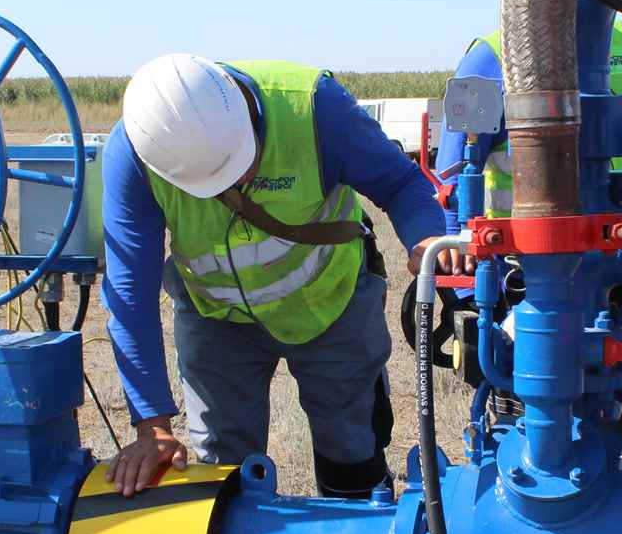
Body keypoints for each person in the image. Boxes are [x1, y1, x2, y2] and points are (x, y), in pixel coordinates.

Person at [101, 53, 452, 499]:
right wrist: (152, 425)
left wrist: (424, 238)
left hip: (329, 303)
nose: (234, 182)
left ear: (244, 113)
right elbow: (129, 294)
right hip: (218, 319)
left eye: (237, 164)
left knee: (350, 454)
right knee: (224, 472)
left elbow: (401, 183)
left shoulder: (314, 108)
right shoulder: (138, 151)